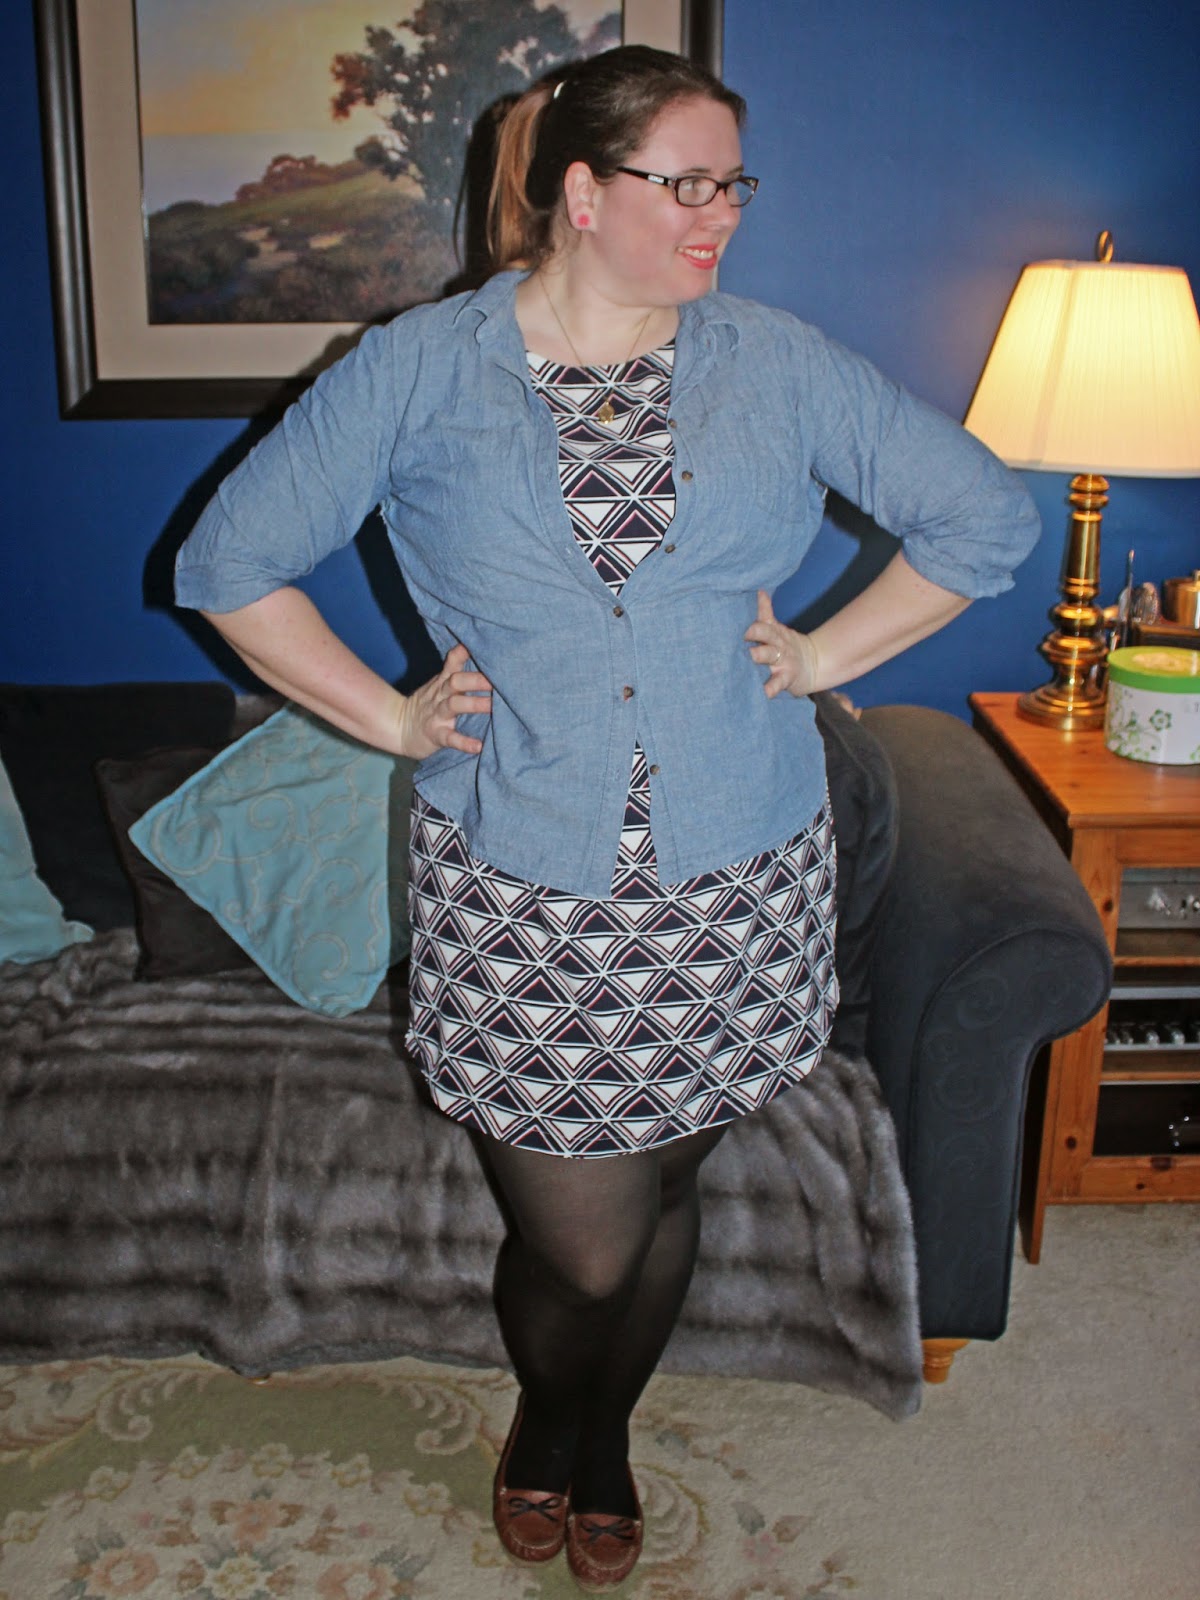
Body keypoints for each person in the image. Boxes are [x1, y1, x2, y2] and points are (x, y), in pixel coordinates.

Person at [174, 44, 1038, 1592]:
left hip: (739, 874)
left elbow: (985, 517)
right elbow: (227, 567)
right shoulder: (420, 370)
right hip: (522, 883)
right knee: (580, 1242)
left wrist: (824, 655)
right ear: (582, 192)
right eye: (683, 183)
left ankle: (606, 1439)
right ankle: (547, 1421)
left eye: (733, 185)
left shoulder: (776, 362)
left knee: (667, 1191)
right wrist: (390, 719)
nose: (722, 216)